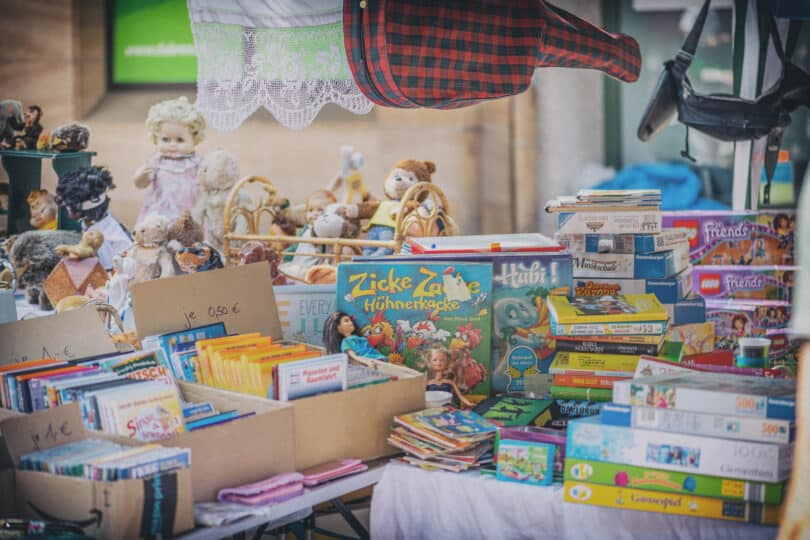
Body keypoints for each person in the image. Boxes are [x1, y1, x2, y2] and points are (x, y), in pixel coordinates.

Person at [133, 96, 207, 225]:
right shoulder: (157, 161)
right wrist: (141, 176)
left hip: (189, 213)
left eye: (180, 140)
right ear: (156, 137)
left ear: (194, 139)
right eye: (165, 139)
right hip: (161, 215)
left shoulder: (197, 162)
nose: (172, 145)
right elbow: (140, 184)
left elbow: (208, 181)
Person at [55, 166, 133, 270]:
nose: (65, 206)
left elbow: (105, 273)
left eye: (69, 205)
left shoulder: (103, 240)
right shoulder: (96, 220)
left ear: (84, 209)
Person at [322, 311, 387, 361]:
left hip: (377, 357)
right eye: (346, 321)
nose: (351, 323)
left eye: (350, 320)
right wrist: (367, 362)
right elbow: (354, 356)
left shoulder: (360, 338)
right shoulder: (346, 342)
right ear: (338, 328)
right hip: (369, 360)